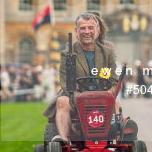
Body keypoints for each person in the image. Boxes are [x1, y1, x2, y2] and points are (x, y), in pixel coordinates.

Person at [52, 12, 135, 143]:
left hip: (101, 96)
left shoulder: (106, 52)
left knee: (115, 103)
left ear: (96, 29)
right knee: (62, 101)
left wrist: (109, 93)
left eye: (90, 28)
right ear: (76, 31)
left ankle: (120, 141)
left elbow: (113, 81)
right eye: (83, 28)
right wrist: (79, 96)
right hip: (77, 97)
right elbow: (66, 82)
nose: (87, 32)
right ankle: (63, 141)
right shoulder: (68, 53)